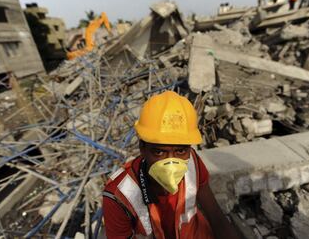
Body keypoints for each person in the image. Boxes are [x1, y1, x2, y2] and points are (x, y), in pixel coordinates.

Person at [102, 91, 239, 239]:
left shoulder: (192, 163)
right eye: (159, 152)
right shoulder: (119, 195)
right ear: (142, 147)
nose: (171, 164)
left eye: (180, 151)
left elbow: (215, 215)